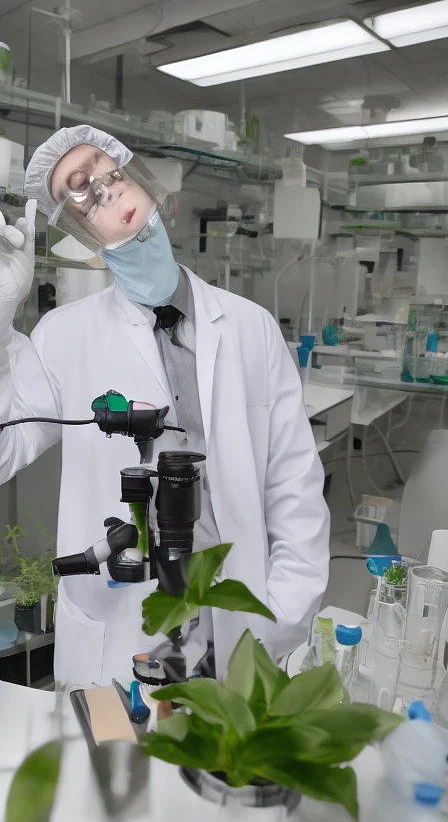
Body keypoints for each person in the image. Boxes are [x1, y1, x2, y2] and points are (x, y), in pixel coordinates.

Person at [0, 125, 329, 687]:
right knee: (114, 744)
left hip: (238, 615)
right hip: (116, 631)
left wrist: (278, 621)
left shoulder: (251, 328)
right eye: (81, 193)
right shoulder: (63, 336)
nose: (105, 191)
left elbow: (294, 491)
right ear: (80, 232)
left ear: (143, 181)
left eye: (109, 172)